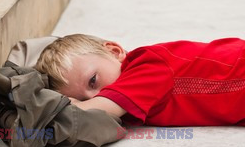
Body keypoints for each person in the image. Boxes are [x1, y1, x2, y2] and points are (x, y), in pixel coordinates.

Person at [36, 33, 245, 127]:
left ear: (115, 51)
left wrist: (72, 105)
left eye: (93, 81)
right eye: (82, 97)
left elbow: (89, 111)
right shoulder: (125, 102)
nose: (95, 96)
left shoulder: (146, 66)